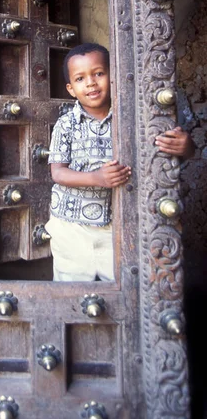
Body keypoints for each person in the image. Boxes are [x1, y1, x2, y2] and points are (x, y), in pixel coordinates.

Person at [46, 43, 194, 282]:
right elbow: (58, 173)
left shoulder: (136, 119)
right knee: (71, 290)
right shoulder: (66, 124)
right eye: (80, 78)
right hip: (71, 229)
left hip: (119, 227)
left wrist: (186, 148)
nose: (91, 83)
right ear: (71, 89)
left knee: (121, 287)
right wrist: (96, 179)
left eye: (99, 73)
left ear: (113, 76)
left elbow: (167, 152)